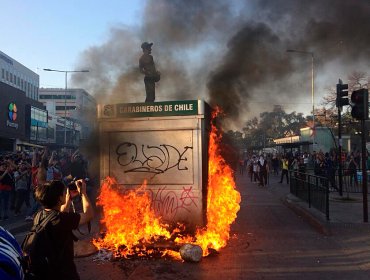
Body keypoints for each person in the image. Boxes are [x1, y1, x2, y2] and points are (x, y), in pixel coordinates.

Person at [31, 179, 94, 280]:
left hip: (47, 271)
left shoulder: (39, 215)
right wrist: (83, 193)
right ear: (59, 198)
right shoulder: (62, 219)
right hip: (63, 272)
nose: (66, 193)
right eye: (64, 192)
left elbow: (61, 212)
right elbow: (89, 215)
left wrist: (68, 198)